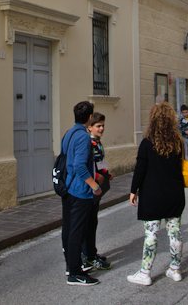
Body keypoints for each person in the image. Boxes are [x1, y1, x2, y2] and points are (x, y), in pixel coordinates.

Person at [128, 102, 185, 286]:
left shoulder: (147, 143)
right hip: (174, 193)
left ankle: (145, 272)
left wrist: (133, 190)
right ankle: (175, 269)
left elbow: (140, 169)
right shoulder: (177, 141)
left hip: (152, 195)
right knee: (175, 234)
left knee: (151, 235)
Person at [61, 101, 102, 286]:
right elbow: (79, 165)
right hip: (80, 190)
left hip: (68, 188)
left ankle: (71, 265)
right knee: (77, 232)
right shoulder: (84, 137)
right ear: (90, 117)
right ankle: (75, 273)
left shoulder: (68, 134)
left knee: (69, 229)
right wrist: (94, 186)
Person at [81, 112, 113, 271]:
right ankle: (88, 256)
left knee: (93, 221)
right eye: (98, 126)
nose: (101, 128)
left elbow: (99, 162)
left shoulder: (97, 142)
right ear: (90, 127)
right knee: (89, 222)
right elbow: (86, 165)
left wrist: (106, 173)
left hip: (98, 185)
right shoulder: (89, 143)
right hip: (90, 187)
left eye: (103, 126)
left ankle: (91, 252)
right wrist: (96, 176)